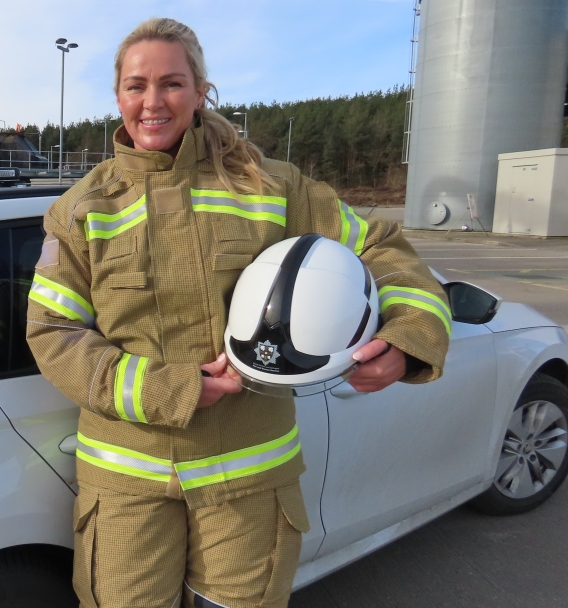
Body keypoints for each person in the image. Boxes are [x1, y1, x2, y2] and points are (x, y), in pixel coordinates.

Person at [25, 17, 451, 608]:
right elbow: (54, 334)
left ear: (201, 91)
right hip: (126, 485)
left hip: (249, 481)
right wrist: (167, 389)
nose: (153, 102)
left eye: (172, 83)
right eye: (136, 85)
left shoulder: (272, 188)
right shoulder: (80, 211)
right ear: (118, 95)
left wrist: (407, 339)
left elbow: (382, 252)